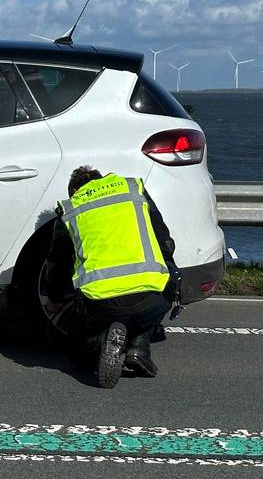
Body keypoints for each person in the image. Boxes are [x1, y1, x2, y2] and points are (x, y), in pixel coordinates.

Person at [44, 165, 180, 388]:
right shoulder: (133, 190)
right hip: (151, 301)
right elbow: (164, 240)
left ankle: (100, 340)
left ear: (75, 191)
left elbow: (57, 265)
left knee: (78, 354)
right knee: (160, 287)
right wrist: (172, 277)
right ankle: (138, 347)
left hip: (101, 307)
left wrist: (55, 299)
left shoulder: (71, 210)